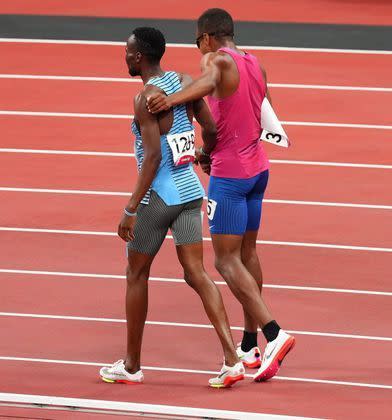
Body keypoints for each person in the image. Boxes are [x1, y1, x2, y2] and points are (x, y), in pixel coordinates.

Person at [147, 9, 295, 382]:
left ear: (209, 38)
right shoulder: (254, 64)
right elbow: (265, 114)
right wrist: (210, 151)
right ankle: (249, 345)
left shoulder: (216, 60)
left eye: (197, 41)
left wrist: (171, 100)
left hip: (230, 178)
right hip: (258, 170)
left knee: (225, 262)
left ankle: (275, 334)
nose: (199, 50)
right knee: (248, 254)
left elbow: (208, 81)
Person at [99, 27, 245, 389]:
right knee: (196, 272)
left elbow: (150, 160)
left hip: (160, 197)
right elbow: (209, 127)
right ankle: (232, 358)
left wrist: (131, 208)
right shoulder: (183, 82)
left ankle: (132, 366)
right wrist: (203, 155)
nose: (125, 57)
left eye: (128, 51)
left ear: (139, 57)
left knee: (136, 274)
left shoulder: (145, 98)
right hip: (190, 191)